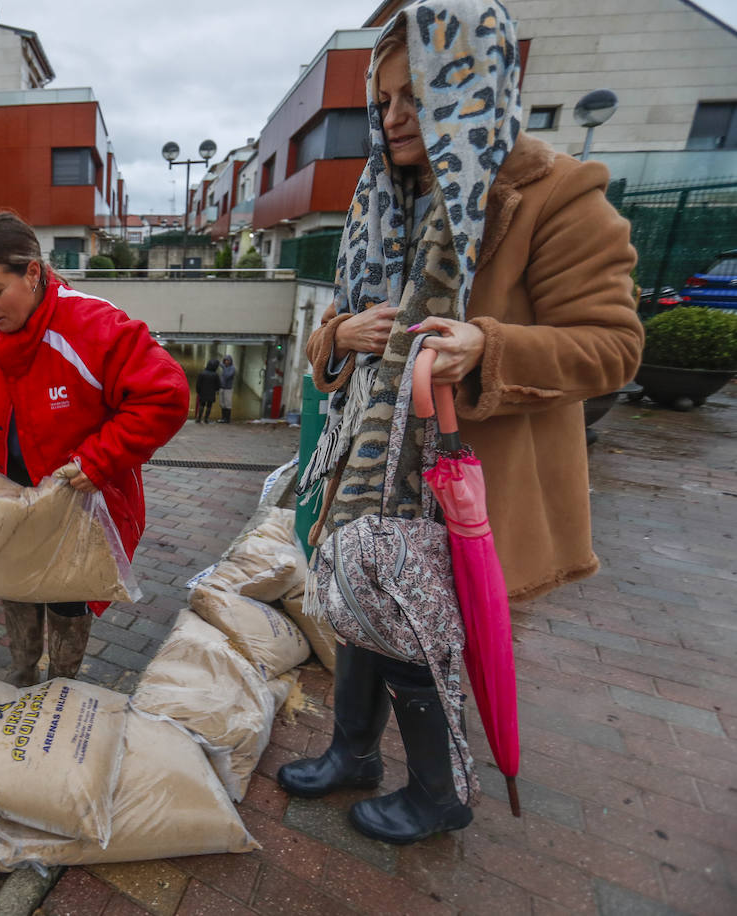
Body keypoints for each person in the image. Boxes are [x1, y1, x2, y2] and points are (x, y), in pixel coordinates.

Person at [281, 0, 642, 845]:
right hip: (368, 468)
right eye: (386, 98)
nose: (396, 118)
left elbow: (614, 346)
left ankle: (442, 795)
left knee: (420, 636)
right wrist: (343, 335)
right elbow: (329, 343)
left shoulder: (553, 195)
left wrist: (488, 345)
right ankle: (354, 752)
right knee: (362, 609)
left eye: (420, 96)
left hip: (460, 475)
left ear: (472, 91)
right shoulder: (383, 195)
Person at [0, 212, 188, 685]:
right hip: (6, 496)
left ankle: (63, 680)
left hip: (76, 501)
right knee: (15, 586)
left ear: (33, 273)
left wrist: (100, 458)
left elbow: (166, 394)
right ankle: (23, 671)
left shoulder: (92, 325)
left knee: (69, 597)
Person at [194, 359, 221, 423]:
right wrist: (216, 390)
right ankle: (206, 419)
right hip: (211, 393)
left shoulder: (202, 373)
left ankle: (199, 419)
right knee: (209, 406)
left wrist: (198, 391)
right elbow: (218, 385)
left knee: (202, 405)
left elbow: (198, 384)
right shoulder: (215, 375)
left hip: (202, 392)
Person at [218, 354, 237, 422]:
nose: (226, 362)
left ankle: (227, 419)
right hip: (222, 388)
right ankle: (223, 418)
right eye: (225, 360)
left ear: (230, 361)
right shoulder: (224, 366)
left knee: (227, 404)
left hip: (228, 389)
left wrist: (224, 367)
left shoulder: (232, 368)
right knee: (222, 404)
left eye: (228, 360)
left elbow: (227, 376)